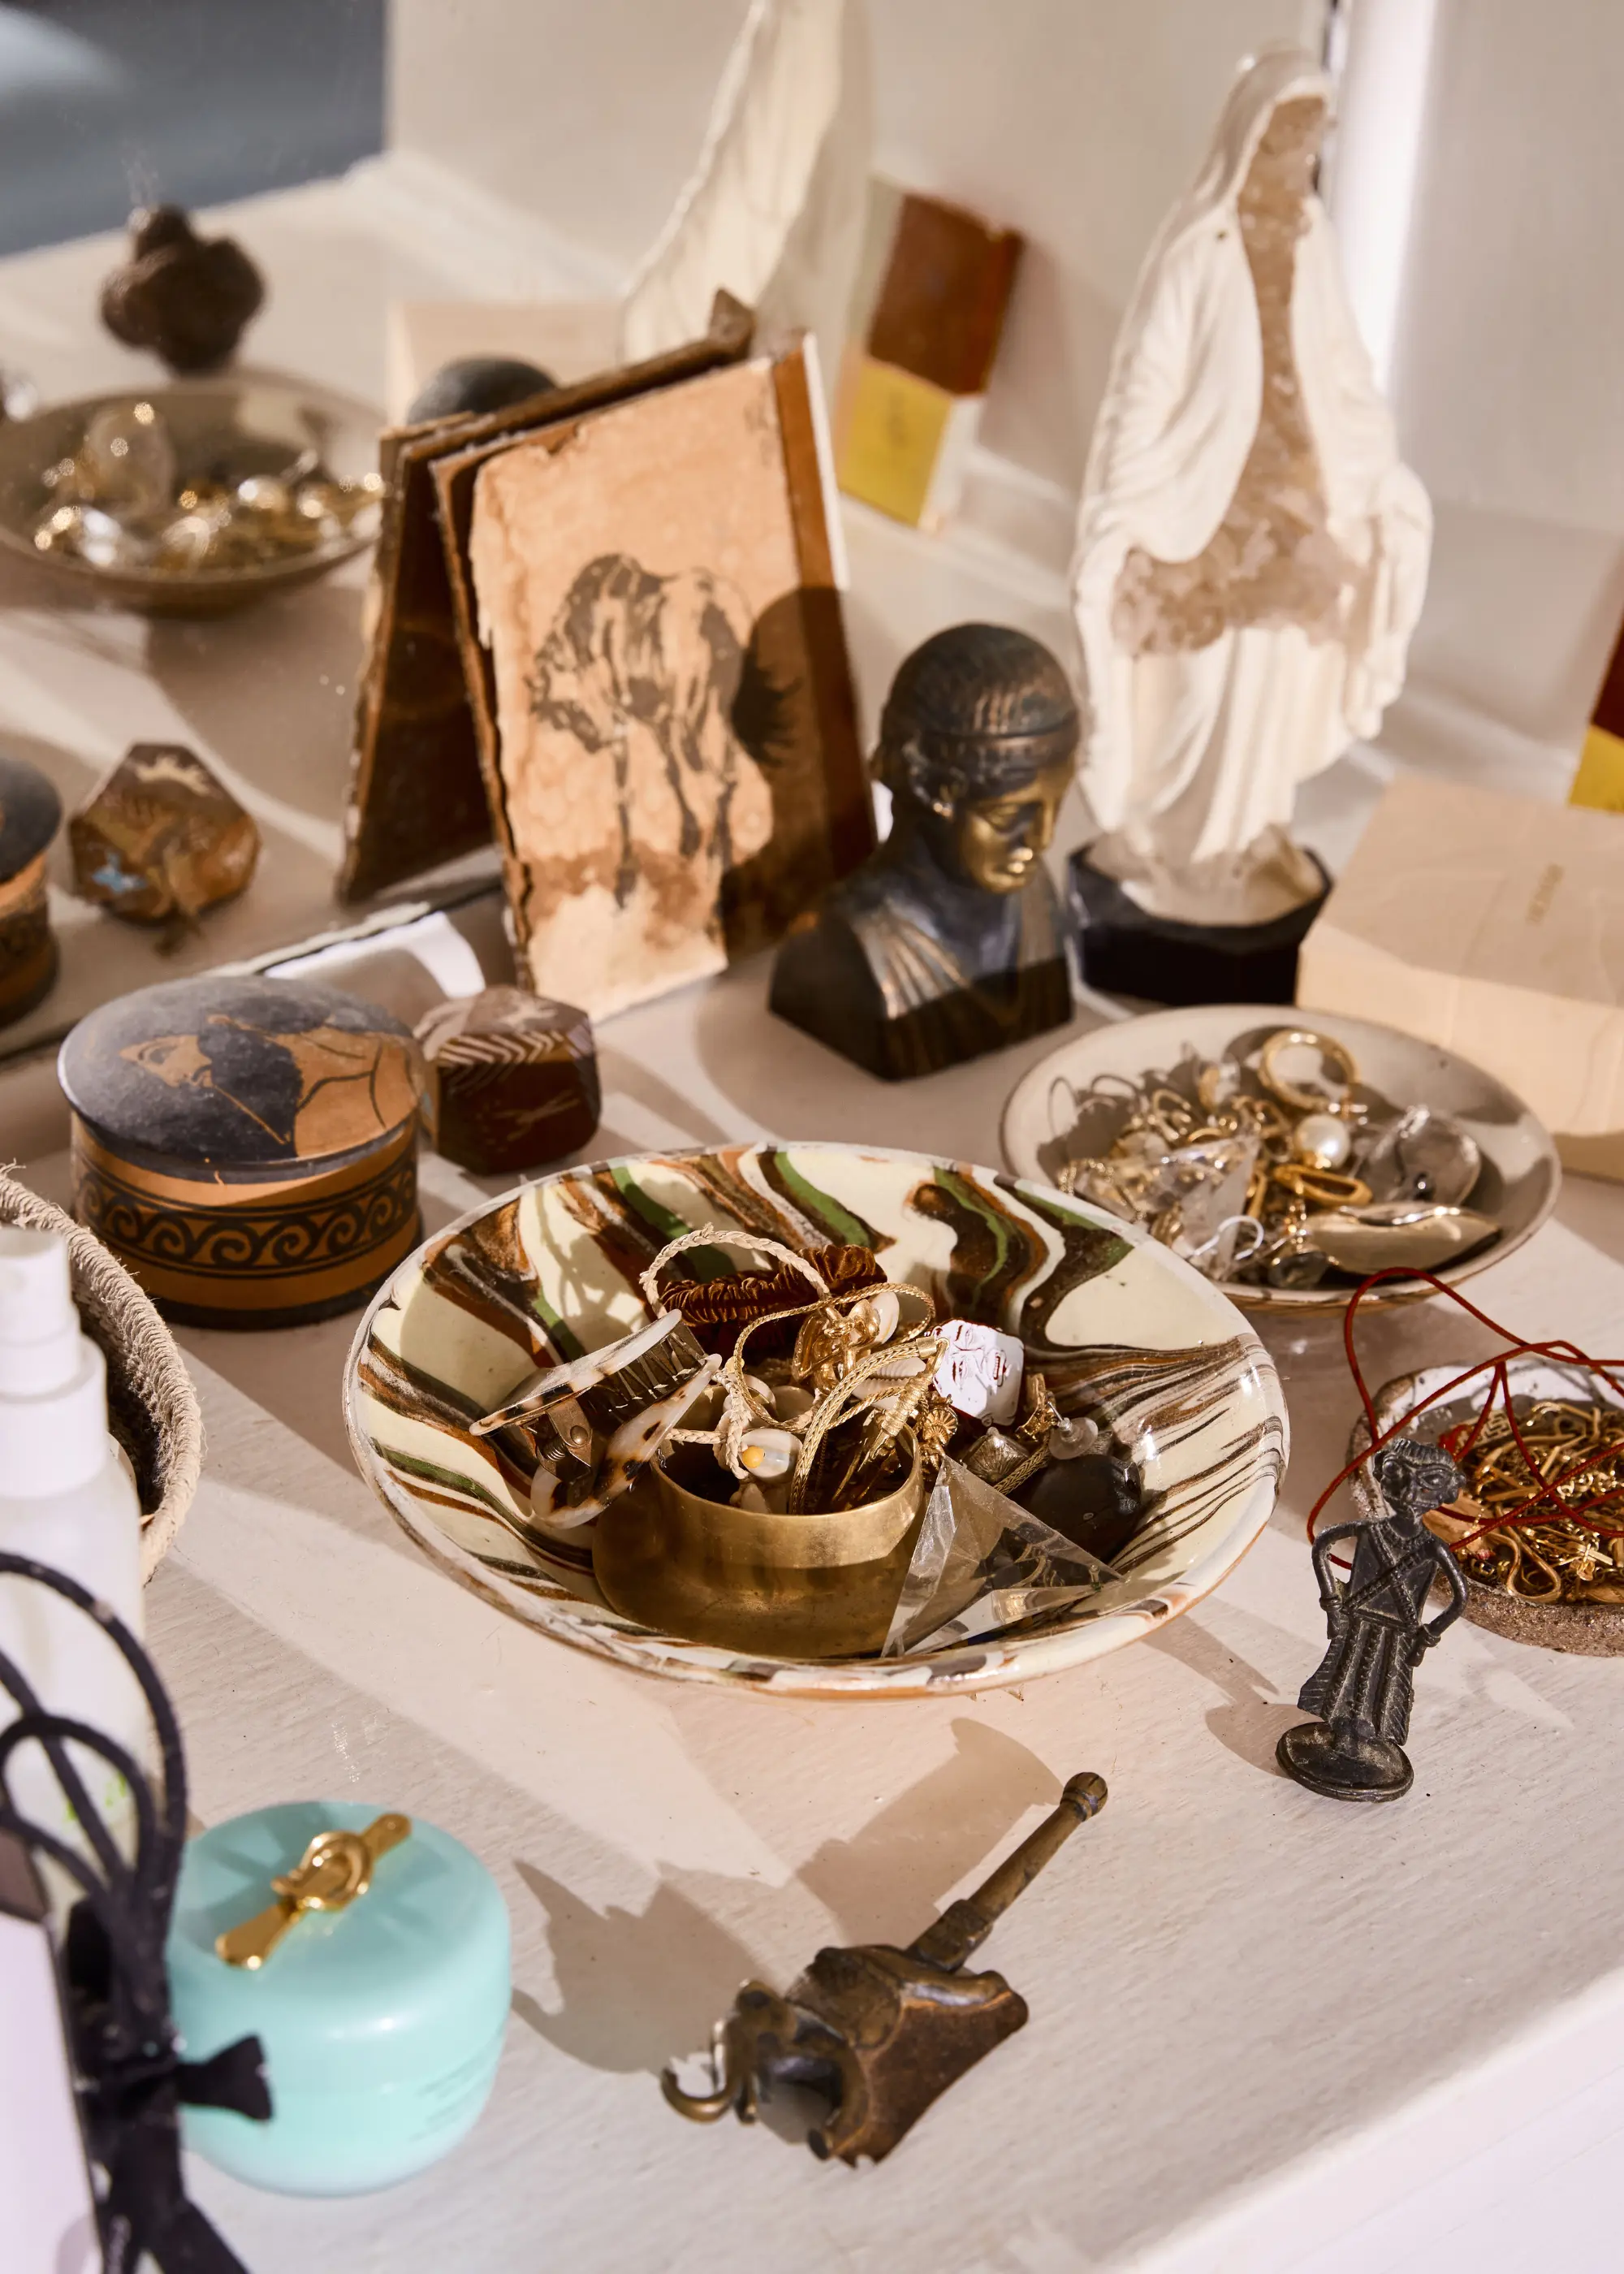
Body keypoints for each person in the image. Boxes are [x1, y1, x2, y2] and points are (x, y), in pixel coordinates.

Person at [1070, 47, 1432, 932]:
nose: (1295, 161)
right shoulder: (1196, 253)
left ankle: (1245, 837)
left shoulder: (1313, 245)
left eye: (1308, 144)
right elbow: (1146, 382)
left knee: (1273, 676)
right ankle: (1170, 840)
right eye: (1281, 141)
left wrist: (1370, 465)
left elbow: (1342, 368)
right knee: (1193, 690)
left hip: (1289, 507)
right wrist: (1126, 496)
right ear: (1248, 140)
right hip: (1196, 514)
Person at [770, 623, 1077, 1079]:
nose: (1043, 839)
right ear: (928, 791)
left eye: (1056, 803)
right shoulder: (836, 946)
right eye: (1007, 816)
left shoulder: (1036, 897)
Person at [1278, 1437, 1469, 1802]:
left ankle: (1362, 1738)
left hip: (1398, 1633)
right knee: (1343, 1673)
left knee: (1385, 1683)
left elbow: (1460, 1599)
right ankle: (1342, 1734)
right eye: (1402, 1477)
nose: (1410, 1492)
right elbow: (1322, 1545)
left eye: (1426, 1482)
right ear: (1385, 1476)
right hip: (1357, 1621)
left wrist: (1428, 1635)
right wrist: (1332, 1602)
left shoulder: (1431, 1547)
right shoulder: (1372, 1532)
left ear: (1444, 1492)